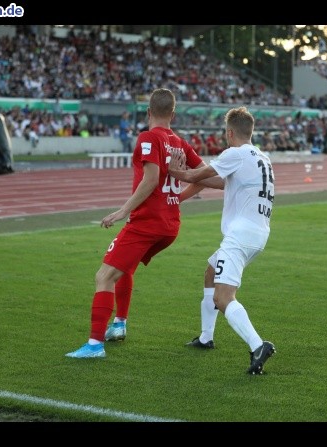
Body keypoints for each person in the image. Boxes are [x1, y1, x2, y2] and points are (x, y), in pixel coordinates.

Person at [65, 88, 219, 359]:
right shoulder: (181, 143)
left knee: (104, 276)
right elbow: (204, 176)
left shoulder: (148, 137)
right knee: (124, 268)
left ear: (148, 112)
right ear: (173, 114)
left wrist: (122, 211)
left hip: (147, 222)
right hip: (170, 226)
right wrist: (177, 197)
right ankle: (119, 325)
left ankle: (94, 345)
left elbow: (151, 179)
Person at [167, 106, 276, 375]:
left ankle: (258, 345)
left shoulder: (235, 154)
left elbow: (195, 175)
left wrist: (175, 172)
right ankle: (206, 337)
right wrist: (179, 198)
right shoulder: (262, 158)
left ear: (229, 133)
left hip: (240, 236)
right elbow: (220, 182)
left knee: (223, 296)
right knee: (210, 272)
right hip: (258, 233)